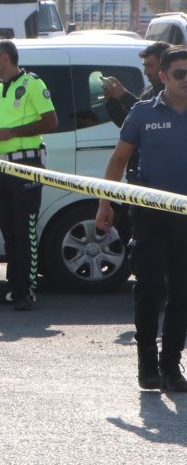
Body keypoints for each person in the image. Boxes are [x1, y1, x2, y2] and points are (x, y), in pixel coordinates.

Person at [95, 45, 187, 392]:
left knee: (182, 292)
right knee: (148, 288)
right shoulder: (143, 113)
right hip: (149, 213)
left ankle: (171, 363)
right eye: (180, 74)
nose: (186, 80)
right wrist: (105, 203)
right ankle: (147, 362)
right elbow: (119, 158)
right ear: (163, 76)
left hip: (186, 217)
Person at [0, 40, 58, 311]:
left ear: (5, 57)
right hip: (1, 166)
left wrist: (13, 133)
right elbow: (9, 124)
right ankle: (13, 288)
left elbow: (51, 121)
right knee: (8, 231)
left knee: (24, 231)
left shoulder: (32, 83)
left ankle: (26, 290)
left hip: (25, 166)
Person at [104, 41, 172, 128]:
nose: (145, 72)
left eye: (150, 66)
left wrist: (124, 96)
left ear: (164, 66)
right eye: (145, 66)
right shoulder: (147, 91)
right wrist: (112, 99)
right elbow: (127, 123)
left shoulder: (176, 93)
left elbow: (153, 120)